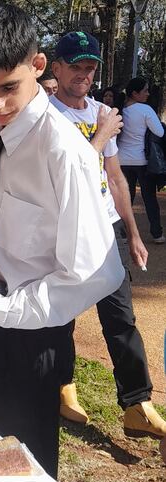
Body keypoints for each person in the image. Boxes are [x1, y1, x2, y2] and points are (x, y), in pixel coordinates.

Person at [0, 4, 124, 477]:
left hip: (31, 337)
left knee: (20, 473)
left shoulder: (65, 150)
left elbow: (97, 273)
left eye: (7, 88)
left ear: (38, 66)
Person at [50, 31, 166, 438]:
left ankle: (137, 404)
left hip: (105, 229)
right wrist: (100, 136)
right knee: (61, 314)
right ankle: (63, 387)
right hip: (65, 229)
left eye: (90, 67)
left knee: (121, 315)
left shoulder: (102, 110)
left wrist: (132, 233)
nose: (83, 74)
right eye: (75, 65)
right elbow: (65, 176)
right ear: (56, 67)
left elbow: (114, 178)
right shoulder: (46, 117)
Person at [118, 77, 165, 243]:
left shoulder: (119, 109)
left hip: (121, 160)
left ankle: (123, 234)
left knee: (124, 199)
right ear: (135, 93)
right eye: (145, 90)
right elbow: (159, 132)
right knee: (149, 198)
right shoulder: (145, 110)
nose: (148, 93)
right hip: (142, 161)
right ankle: (157, 234)